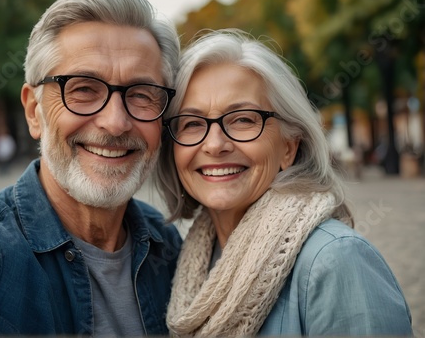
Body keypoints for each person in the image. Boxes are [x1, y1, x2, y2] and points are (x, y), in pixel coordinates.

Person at [0, 0, 182, 334]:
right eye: (83, 89)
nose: (116, 122)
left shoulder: (167, 244)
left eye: (141, 95)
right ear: (34, 111)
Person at [155, 29, 413, 336]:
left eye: (243, 119)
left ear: (288, 147)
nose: (214, 144)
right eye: (192, 123)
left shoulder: (337, 261)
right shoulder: (192, 260)